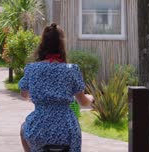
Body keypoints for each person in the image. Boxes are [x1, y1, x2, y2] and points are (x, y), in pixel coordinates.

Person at [19, 23, 94, 152]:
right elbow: (83, 102)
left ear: (42, 44)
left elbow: (24, 94)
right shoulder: (71, 70)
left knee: (23, 130)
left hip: (39, 128)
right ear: (61, 45)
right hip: (67, 129)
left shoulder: (32, 69)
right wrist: (90, 98)